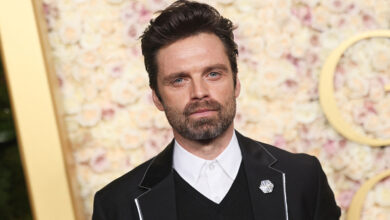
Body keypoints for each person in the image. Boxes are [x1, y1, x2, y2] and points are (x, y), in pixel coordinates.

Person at [92, 1, 341, 219]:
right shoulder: (116, 205)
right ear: (157, 97)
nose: (199, 92)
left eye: (213, 74)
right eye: (179, 79)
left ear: (236, 83)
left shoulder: (302, 179)